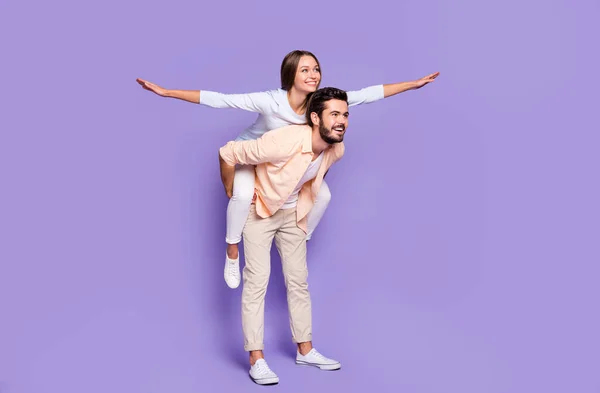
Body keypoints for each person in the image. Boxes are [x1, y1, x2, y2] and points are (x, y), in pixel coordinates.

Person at [137, 50, 440, 290]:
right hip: (250, 157)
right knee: (241, 197)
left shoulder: (318, 103)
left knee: (323, 196)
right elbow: (221, 100)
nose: (313, 74)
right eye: (305, 69)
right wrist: (167, 92)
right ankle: (231, 251)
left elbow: (365, 94)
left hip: (281, 164)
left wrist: (411, 85)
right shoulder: (271, 101)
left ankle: (300, 236)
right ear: (290, 74)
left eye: (316, 69)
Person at [218, 87, 351, 385]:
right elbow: (228, 153)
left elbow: (314, 175)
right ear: (315, 118)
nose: (341, 121)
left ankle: (305, 349)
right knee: (257, 282)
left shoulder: (336, 148)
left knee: (298, 281)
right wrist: (232, 190)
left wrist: (301, 200)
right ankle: (257, 358)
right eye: (334, 114)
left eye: (345, 114)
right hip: (260, 211)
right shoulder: (284, 140)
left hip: (293, 215)